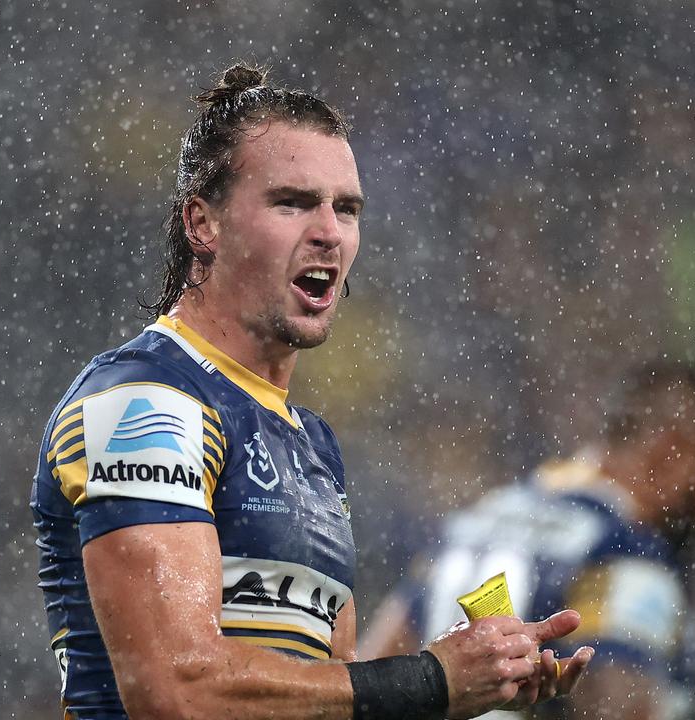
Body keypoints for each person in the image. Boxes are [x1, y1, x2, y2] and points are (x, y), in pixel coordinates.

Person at [30, 63, 593, 720]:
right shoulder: (146, 403)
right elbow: (179, 692)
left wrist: (476, 681)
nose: (328, 230)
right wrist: (428, 681)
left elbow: (329, 702)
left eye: (346, 208)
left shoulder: (312, 445)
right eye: (292, 202)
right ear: (202, 224)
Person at [360, 361, 695, 720]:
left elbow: (371, 678)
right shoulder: (625, 549)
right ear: (670, 455)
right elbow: (619, 707)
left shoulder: (482, 515)